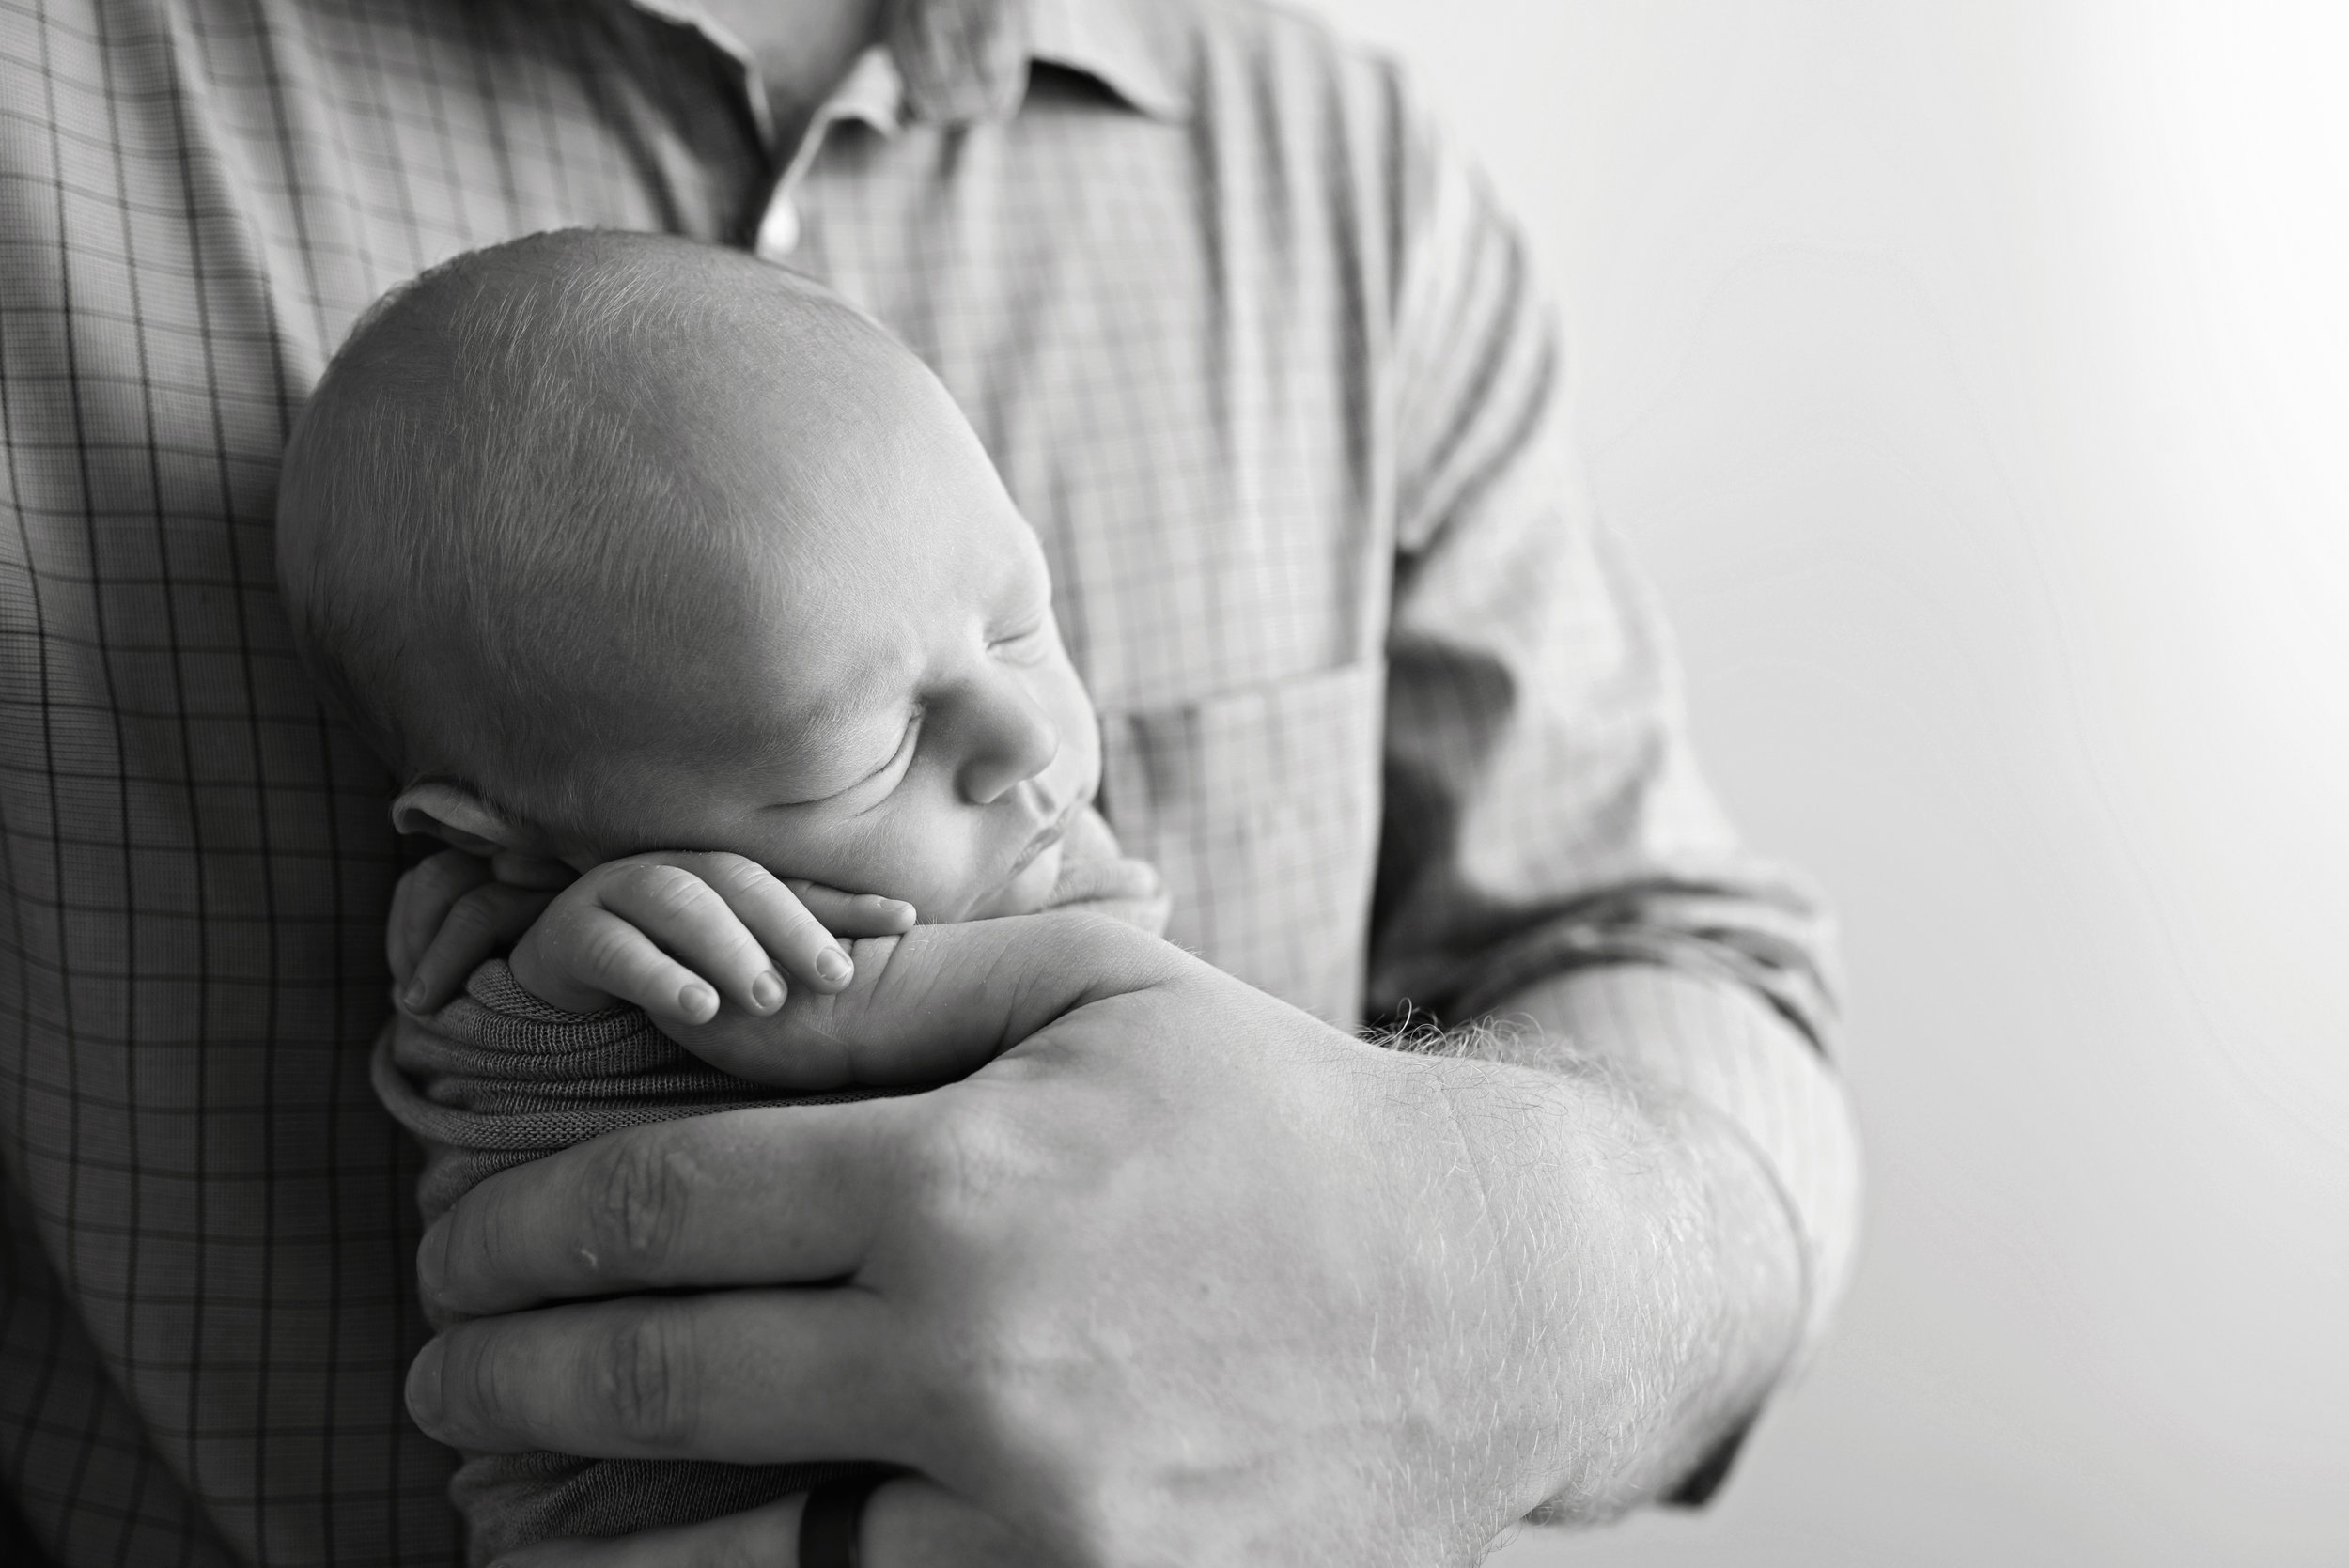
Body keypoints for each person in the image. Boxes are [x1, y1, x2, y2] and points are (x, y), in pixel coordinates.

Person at [0, 1, 1861, 1564]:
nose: (1038, 745)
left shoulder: (1329, 163)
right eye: (874, 746)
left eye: (1030, 625)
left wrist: (1492, 1272)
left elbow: (1667, 942)